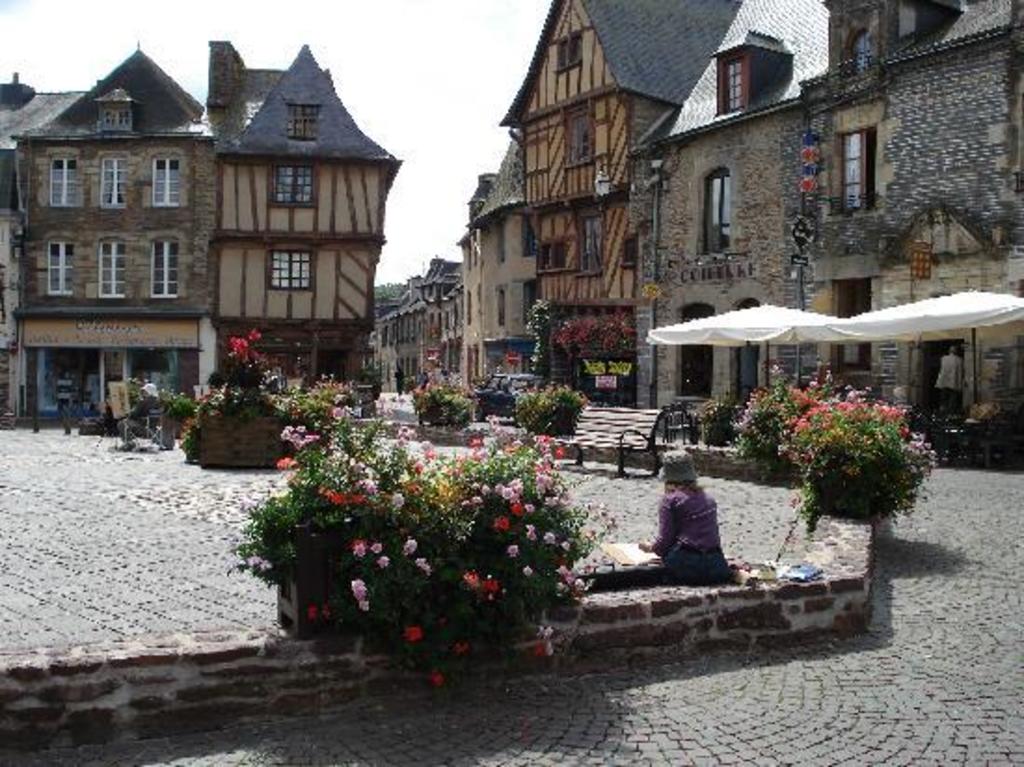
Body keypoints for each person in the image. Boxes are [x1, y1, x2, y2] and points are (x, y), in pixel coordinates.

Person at [639, 451, 733, 586]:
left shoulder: (670, 500)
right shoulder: (708, 499)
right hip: (716, 563)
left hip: (686, 563)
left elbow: (664, 541)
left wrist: (649, 547)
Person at [935, 344, 964, 414]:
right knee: (952, 399)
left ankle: (942, 412)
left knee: (943, 398)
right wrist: (960, 385)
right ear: (956, 351)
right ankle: (950, 413)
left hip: (943, 382)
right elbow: (960, 373)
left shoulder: (943, 358)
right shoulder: (959, 360)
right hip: (954, 382)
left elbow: (941, 370)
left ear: (949, 351)